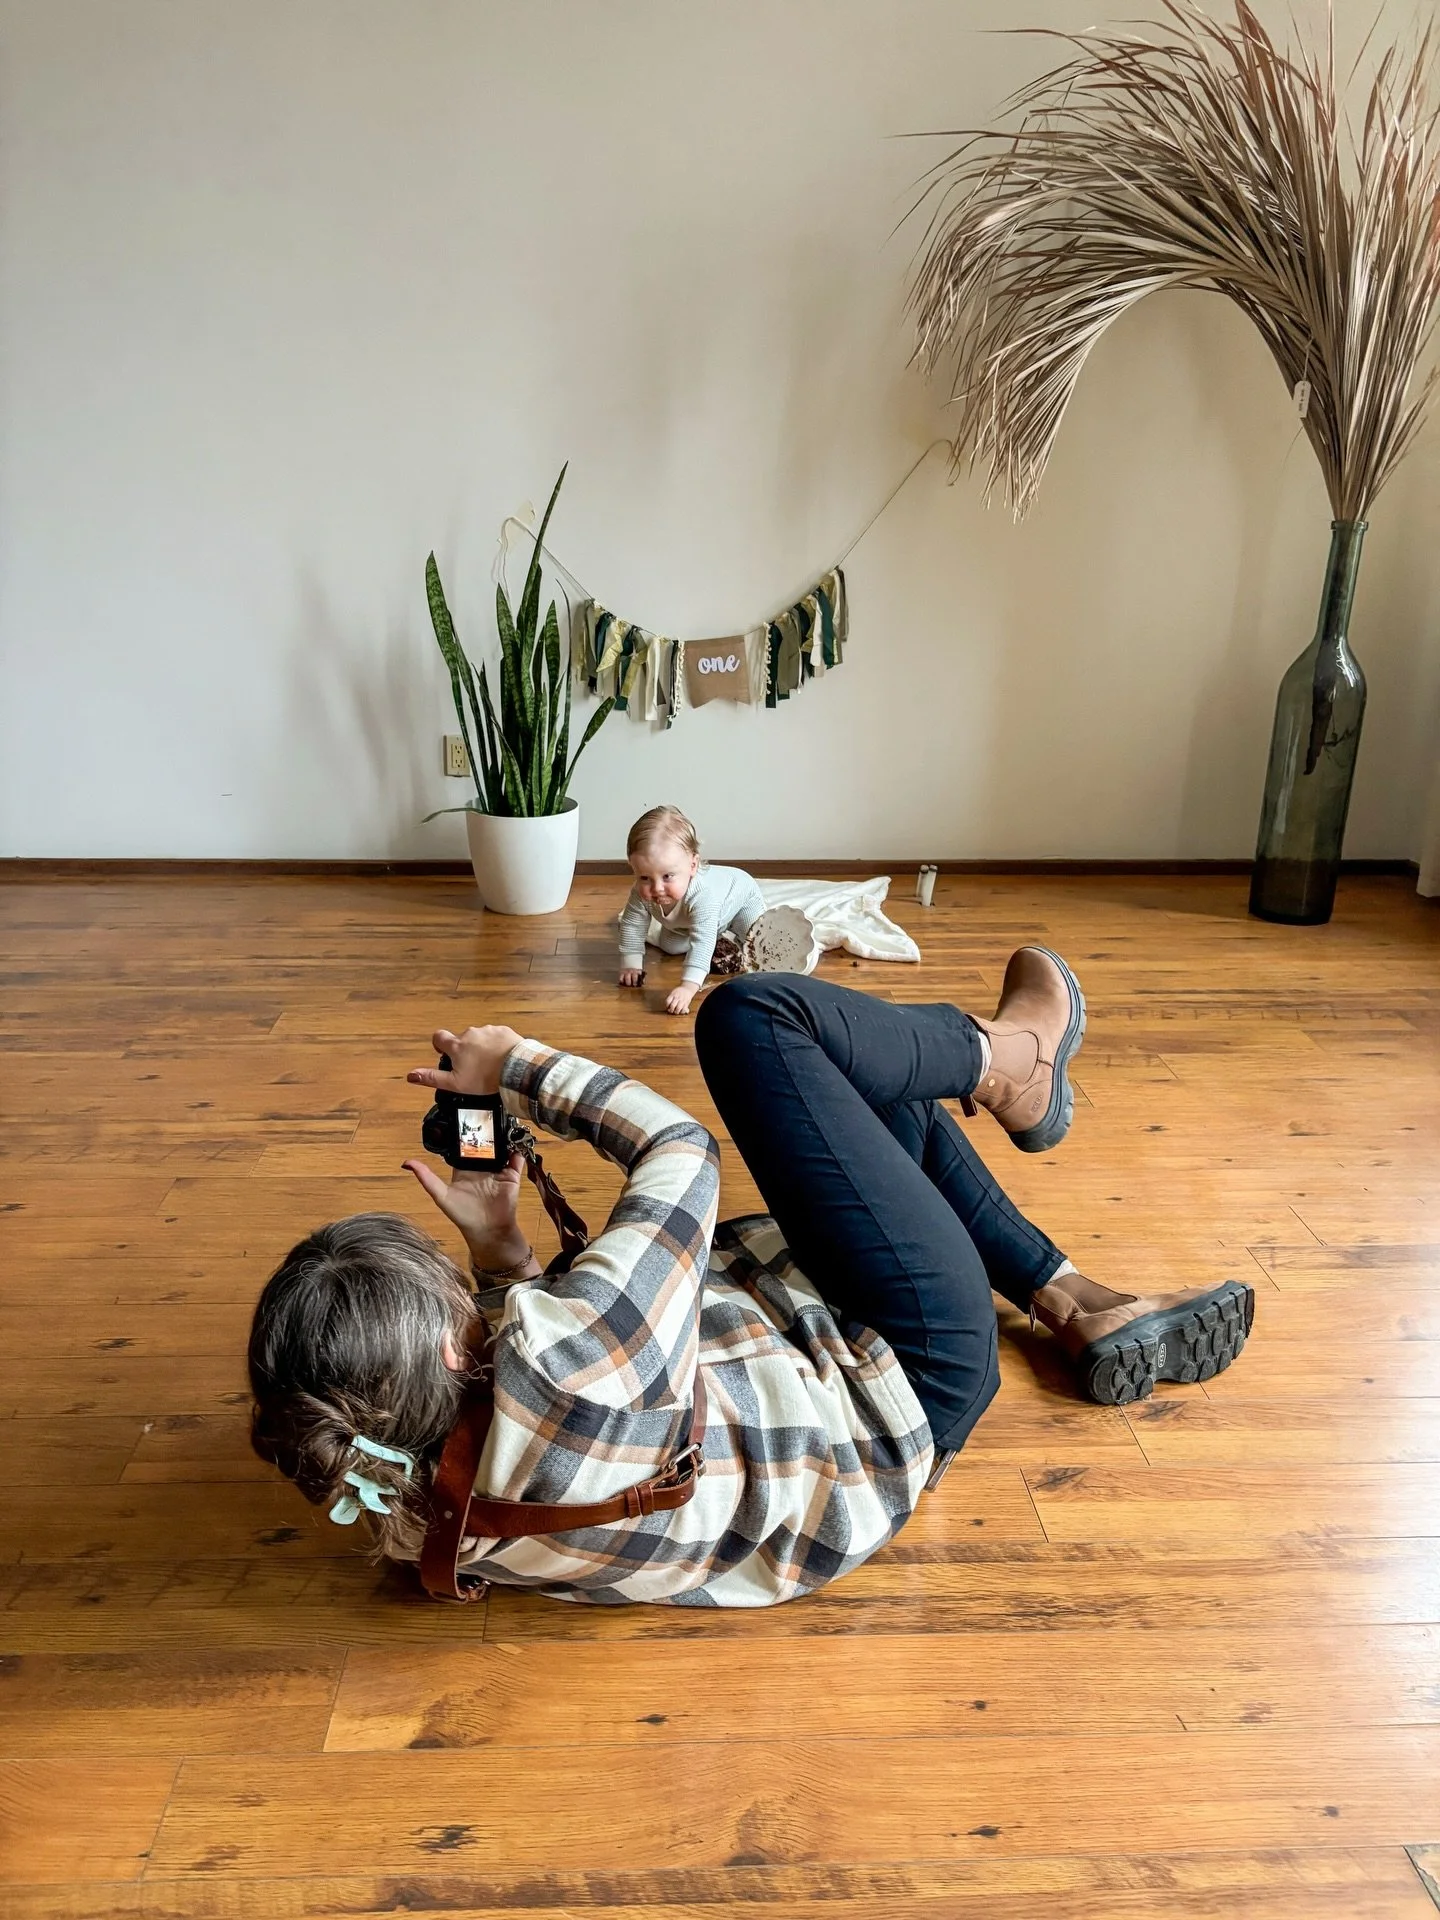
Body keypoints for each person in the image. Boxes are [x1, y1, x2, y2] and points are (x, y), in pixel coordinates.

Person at [248, 954, 1253, 1607]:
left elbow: (568, 1407)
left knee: (852, 1100)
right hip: (898, 1379)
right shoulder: (568, 1355)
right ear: (444, 1347)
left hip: (791, 1431)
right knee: (758, 1022)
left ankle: (1069, 1296)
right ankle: (1009, 1055)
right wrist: (519, 1066)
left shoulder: (393, 1491)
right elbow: (678, 1150)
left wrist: (504, 1253)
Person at [617, 804, 768, 1015]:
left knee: (759, 944)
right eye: (644, 877)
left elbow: (702, 943)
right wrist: (631, 964)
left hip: (739, 902)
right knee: (669, 945)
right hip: (686, 923)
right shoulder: (641, 893)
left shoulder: (703, 896)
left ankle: (742, 935)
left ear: (693, 865)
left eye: (668, 876)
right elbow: (632, 924)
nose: (657, 888)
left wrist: (688, 987)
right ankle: (721, 937)